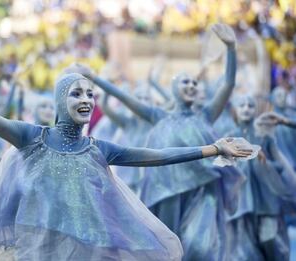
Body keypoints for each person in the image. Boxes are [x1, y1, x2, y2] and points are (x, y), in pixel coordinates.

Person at [0, 33, 253, 261]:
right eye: (76, 93)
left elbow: (155, 157)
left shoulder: (99, 149)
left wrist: (213, 148)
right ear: (59, 101)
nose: (85, 99)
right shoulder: (31, 138)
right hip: (37, 249)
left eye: (89, 94)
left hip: (89, 249)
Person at [81, 23, 245, 260]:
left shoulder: (207, 115)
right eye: (185, 82)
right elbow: (124, 97)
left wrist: (231, 48)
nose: (191, 85)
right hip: (166, 191)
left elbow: (228, 84)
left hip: (203, 190)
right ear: (174, 89)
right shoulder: (157, 116)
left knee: (200, 247)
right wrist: (95, 78)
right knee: (168, 247)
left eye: (194, 83)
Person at [226, 95, 296, 260]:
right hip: (242, 201)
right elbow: (222, 169)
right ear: (235, 110)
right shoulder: (229, 138)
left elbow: (280, 164)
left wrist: (265, 164)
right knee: (246, 250)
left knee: (270, 239)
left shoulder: (264, 136)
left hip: (266, 199)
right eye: (242, 105)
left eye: (250, 105)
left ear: (255, 110)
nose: (246, 109)